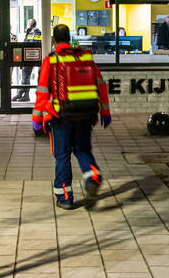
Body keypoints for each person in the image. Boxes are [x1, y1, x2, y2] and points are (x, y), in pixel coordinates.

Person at [32, 24, 112, 210]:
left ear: (54, 39)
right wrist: (105, 112)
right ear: (70, 37)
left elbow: (42, 92)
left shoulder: (51, 60)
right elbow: (101, 84)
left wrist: (36, 119)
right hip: (86, 114)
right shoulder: (85, 57)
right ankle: (92, 177)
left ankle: (65, 197)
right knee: (83, 150)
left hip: (61, 116)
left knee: (62, 156)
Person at [15, 19, 42, 101]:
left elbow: (33, 44)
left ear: (32, 23)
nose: (28, 24)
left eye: (29, 22)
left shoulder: (36, 31)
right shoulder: (29, 31)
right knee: (25, 75)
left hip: (30, 56)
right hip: (26, 56)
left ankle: (23, 94)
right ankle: (23, 94)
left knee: (26, 74)